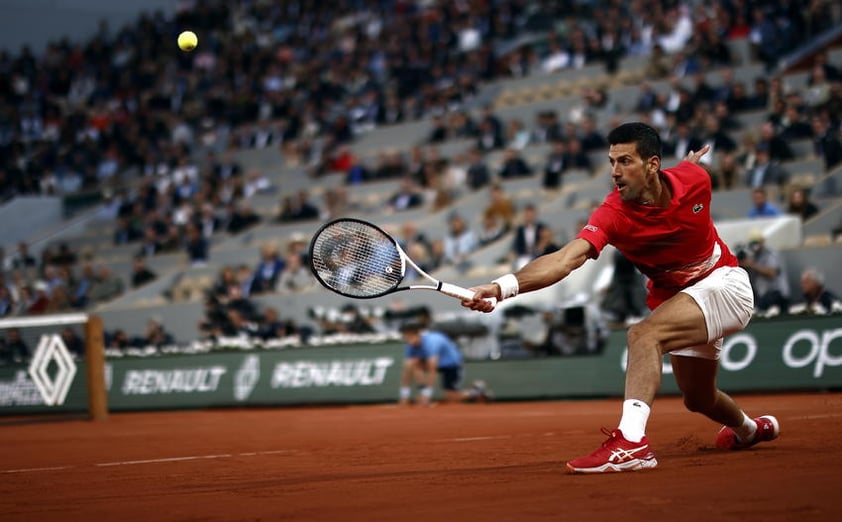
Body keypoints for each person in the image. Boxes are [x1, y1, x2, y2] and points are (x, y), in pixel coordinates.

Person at [463, 122, 778, 473]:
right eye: (612, 162)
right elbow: (565, 260)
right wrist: (501, 287)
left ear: (653, 165)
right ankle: (750, 430)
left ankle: (632, 443)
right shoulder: (613, 213)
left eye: (625, 161)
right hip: (681, 300)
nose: (615, 172)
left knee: (643, 335)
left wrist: (690, 165)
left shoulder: (695, 180)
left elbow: (691, 168)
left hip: (726, 284)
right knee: (698, 398)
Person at [398, 322, 491, 406]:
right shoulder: (410, 346)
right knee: (411, 364)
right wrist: (404, 396)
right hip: (438, 364)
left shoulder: (431, 342)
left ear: (417, 334)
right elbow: (407, 368)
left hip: (452, 365)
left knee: (452, 398)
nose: (407, 339)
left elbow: (432, 368)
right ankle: (422, 392)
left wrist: (427, 395)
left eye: (409, 336)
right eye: (405, 337)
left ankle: (477, 391)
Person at [738, 231, 790, 315]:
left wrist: (752, 265)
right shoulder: (754, 257)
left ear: (762, 242)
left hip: (777, 293)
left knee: (761, 308)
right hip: (763, 295)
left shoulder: (771, 255)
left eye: (756, 243)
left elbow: (772, 273)